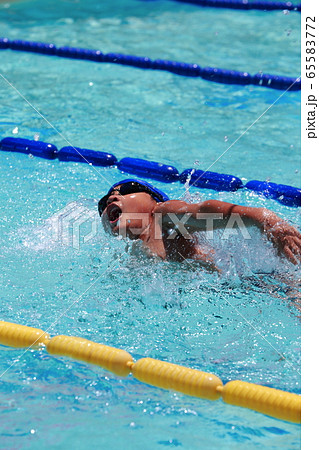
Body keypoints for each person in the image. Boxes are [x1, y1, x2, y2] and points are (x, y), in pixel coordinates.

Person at [98, 179, 301, 271]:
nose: (111, 198)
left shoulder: (163, 216)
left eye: (127, 189)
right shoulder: (129, 255)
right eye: (103, 203)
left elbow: (203, 211)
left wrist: (263, 217)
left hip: (248, 286)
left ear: (153, 201)